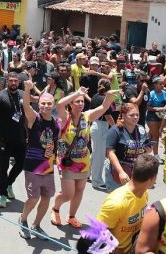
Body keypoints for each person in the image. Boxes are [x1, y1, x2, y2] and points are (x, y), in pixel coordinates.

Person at [51, 87, 118, 229]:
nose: (81, 103)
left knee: (80, 190)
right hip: (67, 161)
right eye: (77, 101)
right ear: (71, 103)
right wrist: (77, 93)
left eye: (82, 101)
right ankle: (55, 208)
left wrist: (109, 96)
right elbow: (60, 104)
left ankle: (71, 216)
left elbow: (103, 107)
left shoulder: (87, 116)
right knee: (68, 193)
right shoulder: (64, 117)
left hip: (83, 161)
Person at [18, 81, 59, 240]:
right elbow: (26, 106)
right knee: (33, 197)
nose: (46, 106)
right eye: (43, 103)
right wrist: (27, 89)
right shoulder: (34, 118)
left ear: (53, 104)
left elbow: (55, 143)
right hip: (33, 165)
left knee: (46, 197)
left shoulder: (56, 123)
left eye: (49, 103)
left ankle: (36, 225)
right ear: (39, 104)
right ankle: (23, 220)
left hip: (48, 166)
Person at [97, 154, 159, 254]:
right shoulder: (116, 202)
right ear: (152, 179)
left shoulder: (144, 193)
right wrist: (113, 248)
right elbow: (98, 230)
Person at [0, 72, 26, 208]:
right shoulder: (0, 97)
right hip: (3, 139)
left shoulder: (22, 94)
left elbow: (29, 111)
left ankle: (9, 183)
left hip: (20, 138)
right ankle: (3, 195)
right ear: (7, 81)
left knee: (21, 164)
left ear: (19, 82)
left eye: (15, 81)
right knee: (3, 168)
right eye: (11, 80)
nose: (13, 83)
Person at [104, 103, 152, 191]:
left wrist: (148, 151)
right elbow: (110, 152)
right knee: (118, 202)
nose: (135, 117)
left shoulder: (141, 129)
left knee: (133, 202)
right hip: (118, 171)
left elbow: (145, 147)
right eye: (132, 115)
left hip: (136, 172)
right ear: (123, 115)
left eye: (137, 115)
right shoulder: (115, 130)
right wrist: (121, 172)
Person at [90, 79, 116, 191]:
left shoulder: (95, 96)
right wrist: (115, 128)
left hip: (95, 125)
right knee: (99, 156)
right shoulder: (104, 99)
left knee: (95, 153)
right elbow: (108, 117)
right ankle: (97, 181)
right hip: (100, 126)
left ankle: (87, 174)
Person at [146, 76, 166, 161]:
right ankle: (156, 155)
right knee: (156, 136)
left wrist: (164, 108)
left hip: (161, 116)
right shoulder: (151, 94)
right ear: (155, 85)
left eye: (163, 84)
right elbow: (147, 107)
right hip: (152, 117)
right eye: (160, 84)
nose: (162, 85)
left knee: (151, 135)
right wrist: (158, 109)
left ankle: (143, 150)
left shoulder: (165, 93)